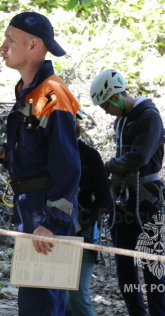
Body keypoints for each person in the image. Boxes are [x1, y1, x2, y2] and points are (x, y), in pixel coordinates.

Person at [0, 11, 81, 316]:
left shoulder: (53, 95)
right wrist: (2, 153)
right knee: (33, 304)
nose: (3, 47)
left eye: (10, 40)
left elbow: (68, 167)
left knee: (43, 305)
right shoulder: (28, 92)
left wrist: (53, 223)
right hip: (29, 210)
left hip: (46, 217)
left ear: (33, 45)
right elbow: (36, 150)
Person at [90, 69, 165, 316]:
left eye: (105, 105)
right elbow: (123, 158)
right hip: (124, 198)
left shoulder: (149, 117)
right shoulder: (121, 120)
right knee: (124, 262)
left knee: (151, 263)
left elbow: (138, 157)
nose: (105, 111)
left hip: (147, 198)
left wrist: (107, 167)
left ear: (115, 96)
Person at [66, 119, 113, 316]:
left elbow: (105, 201)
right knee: (58, 296)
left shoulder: (89, 155)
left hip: (82, 230)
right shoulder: (46, 154)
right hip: (51, 229)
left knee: (76, 295)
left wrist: (81, 222)